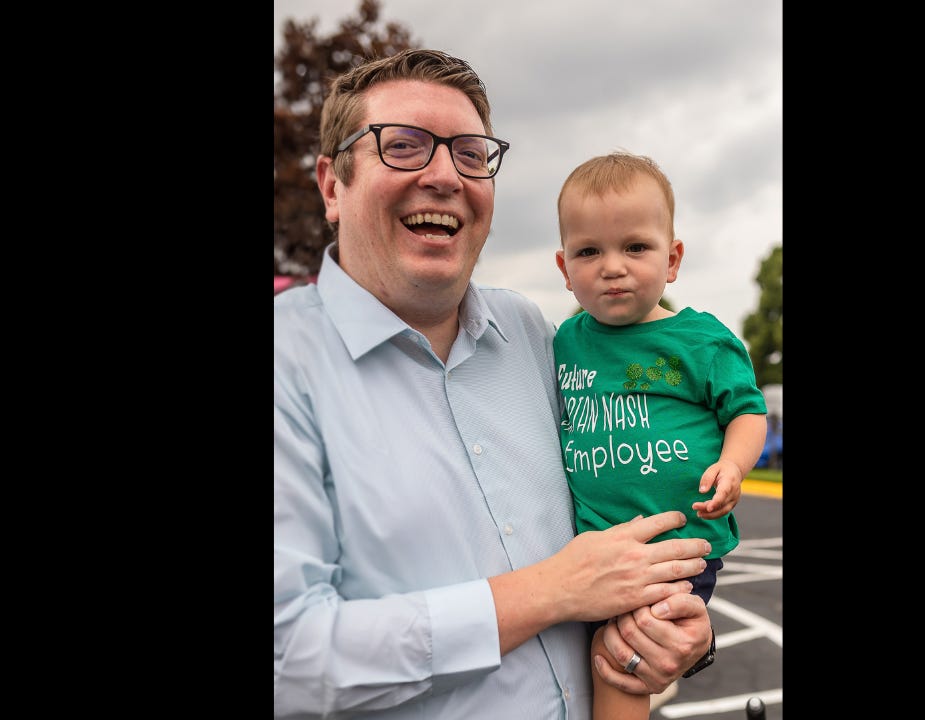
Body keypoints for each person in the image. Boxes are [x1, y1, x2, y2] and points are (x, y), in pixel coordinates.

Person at [274, 50, 716, 719]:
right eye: (404, 147)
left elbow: (638, 493)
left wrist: (678, 631)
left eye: (472, 154)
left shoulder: (535, 334)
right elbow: (291, 659)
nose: (446, 175)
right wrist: (551, 592)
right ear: (333, 185)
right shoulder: (287, 361)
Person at [552, 152, 770, 719]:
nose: (612, 266)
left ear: (672, 259)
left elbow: (748, 413)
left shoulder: (699, 341)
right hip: (596, 551)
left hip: (675, 553)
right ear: (564, 268)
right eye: (589, 251)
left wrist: (734, 465)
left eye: (635, 247)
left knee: (629, 661)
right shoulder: (564, 343)